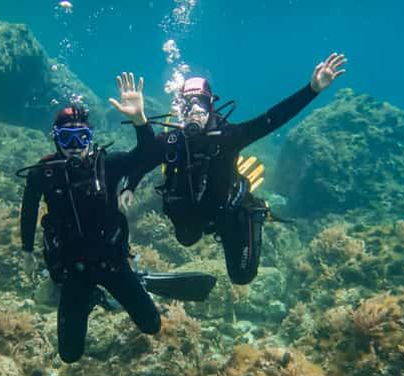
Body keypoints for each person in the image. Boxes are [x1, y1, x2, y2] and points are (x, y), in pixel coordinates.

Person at [114, 53, 347, 285]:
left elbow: (272, 119)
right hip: (192, 212)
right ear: (179, 108)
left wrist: (312, 89)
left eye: (201, 104)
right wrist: (130, 184)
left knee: (242, 276)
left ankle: (253, 214)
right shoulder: (172, 141)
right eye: (188, 105)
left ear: (212, 106)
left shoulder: (228, 137)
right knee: (186, 239)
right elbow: (144, 158)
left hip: (229, 210)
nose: (195, 111)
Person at [19, 75, 159, 363]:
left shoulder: (108, 165)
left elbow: (150, 154)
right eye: (66, 138)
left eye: (81, 137)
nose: (74, 146)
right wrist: (27, 251)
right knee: (69, 355)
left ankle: (138, 280)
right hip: (73, 271)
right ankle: (94, 297)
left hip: (113, 263)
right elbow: (29, 209)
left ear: (90, 138)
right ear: (55, 139)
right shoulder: (42, 175)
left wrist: (140, 120)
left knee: (152, 325)